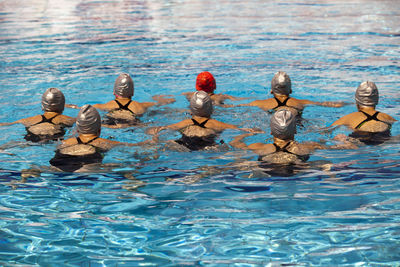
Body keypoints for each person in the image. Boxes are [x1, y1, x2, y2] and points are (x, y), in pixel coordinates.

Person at [50, 104, 149, 172]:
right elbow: (137, 147)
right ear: (99, 130)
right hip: (88, 170)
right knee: (127, 167)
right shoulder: (105, 143)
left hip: (58, 167)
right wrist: (155, 139)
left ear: (78, 129)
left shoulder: (65, 142)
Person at [148, 91, 259, 151]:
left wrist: (153, 134)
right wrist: (255, 130)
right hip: (208, 147)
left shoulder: (184, 123)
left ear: (191, 108)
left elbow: (161, 129)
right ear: (211, 108)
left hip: (183, 146)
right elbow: (240, 130)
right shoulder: (217, 124)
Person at [239, 71, 344, 116]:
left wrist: (222, 101)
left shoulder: (259, 103)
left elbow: (231, 107)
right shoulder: (301, 102)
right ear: (290, 90)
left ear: (271, 91)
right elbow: (329, 104)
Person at [92, 73, 175, 128]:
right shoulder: (141, 106)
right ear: (132, 92)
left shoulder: (106, 106)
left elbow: (86, 109)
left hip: (110, 124)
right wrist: (163, 99)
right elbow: (164, 103)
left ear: (114, 92)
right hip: (133, 125)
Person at [331, 81, 396, 145]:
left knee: (339, 137)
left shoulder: (349, 117)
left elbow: (326, 131)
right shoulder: (387, 117)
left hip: (361, 137)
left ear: (357, 102)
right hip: (383, 137)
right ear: (377, 101)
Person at [0, 88, 75, 142]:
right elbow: (84, 120)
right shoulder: (67, 119)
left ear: (43, 105)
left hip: (32, 137)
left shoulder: (29, 119)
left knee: (19, 143)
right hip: (53, 138)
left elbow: (6, 124)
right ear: (62, 105)